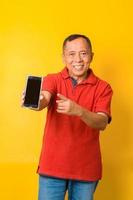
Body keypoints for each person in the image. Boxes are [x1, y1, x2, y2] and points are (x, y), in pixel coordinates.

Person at [22, 34, 113, 200]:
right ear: (64, 57)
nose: (77, 59)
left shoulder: (103, 87)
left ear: (91, 56)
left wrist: (79, 111)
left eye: (83, 53)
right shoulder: (53, 79)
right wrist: (37, 101)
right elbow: (44, 99)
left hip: (86, 170)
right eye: (71, 54)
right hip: (52, 168)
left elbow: (102, 122)